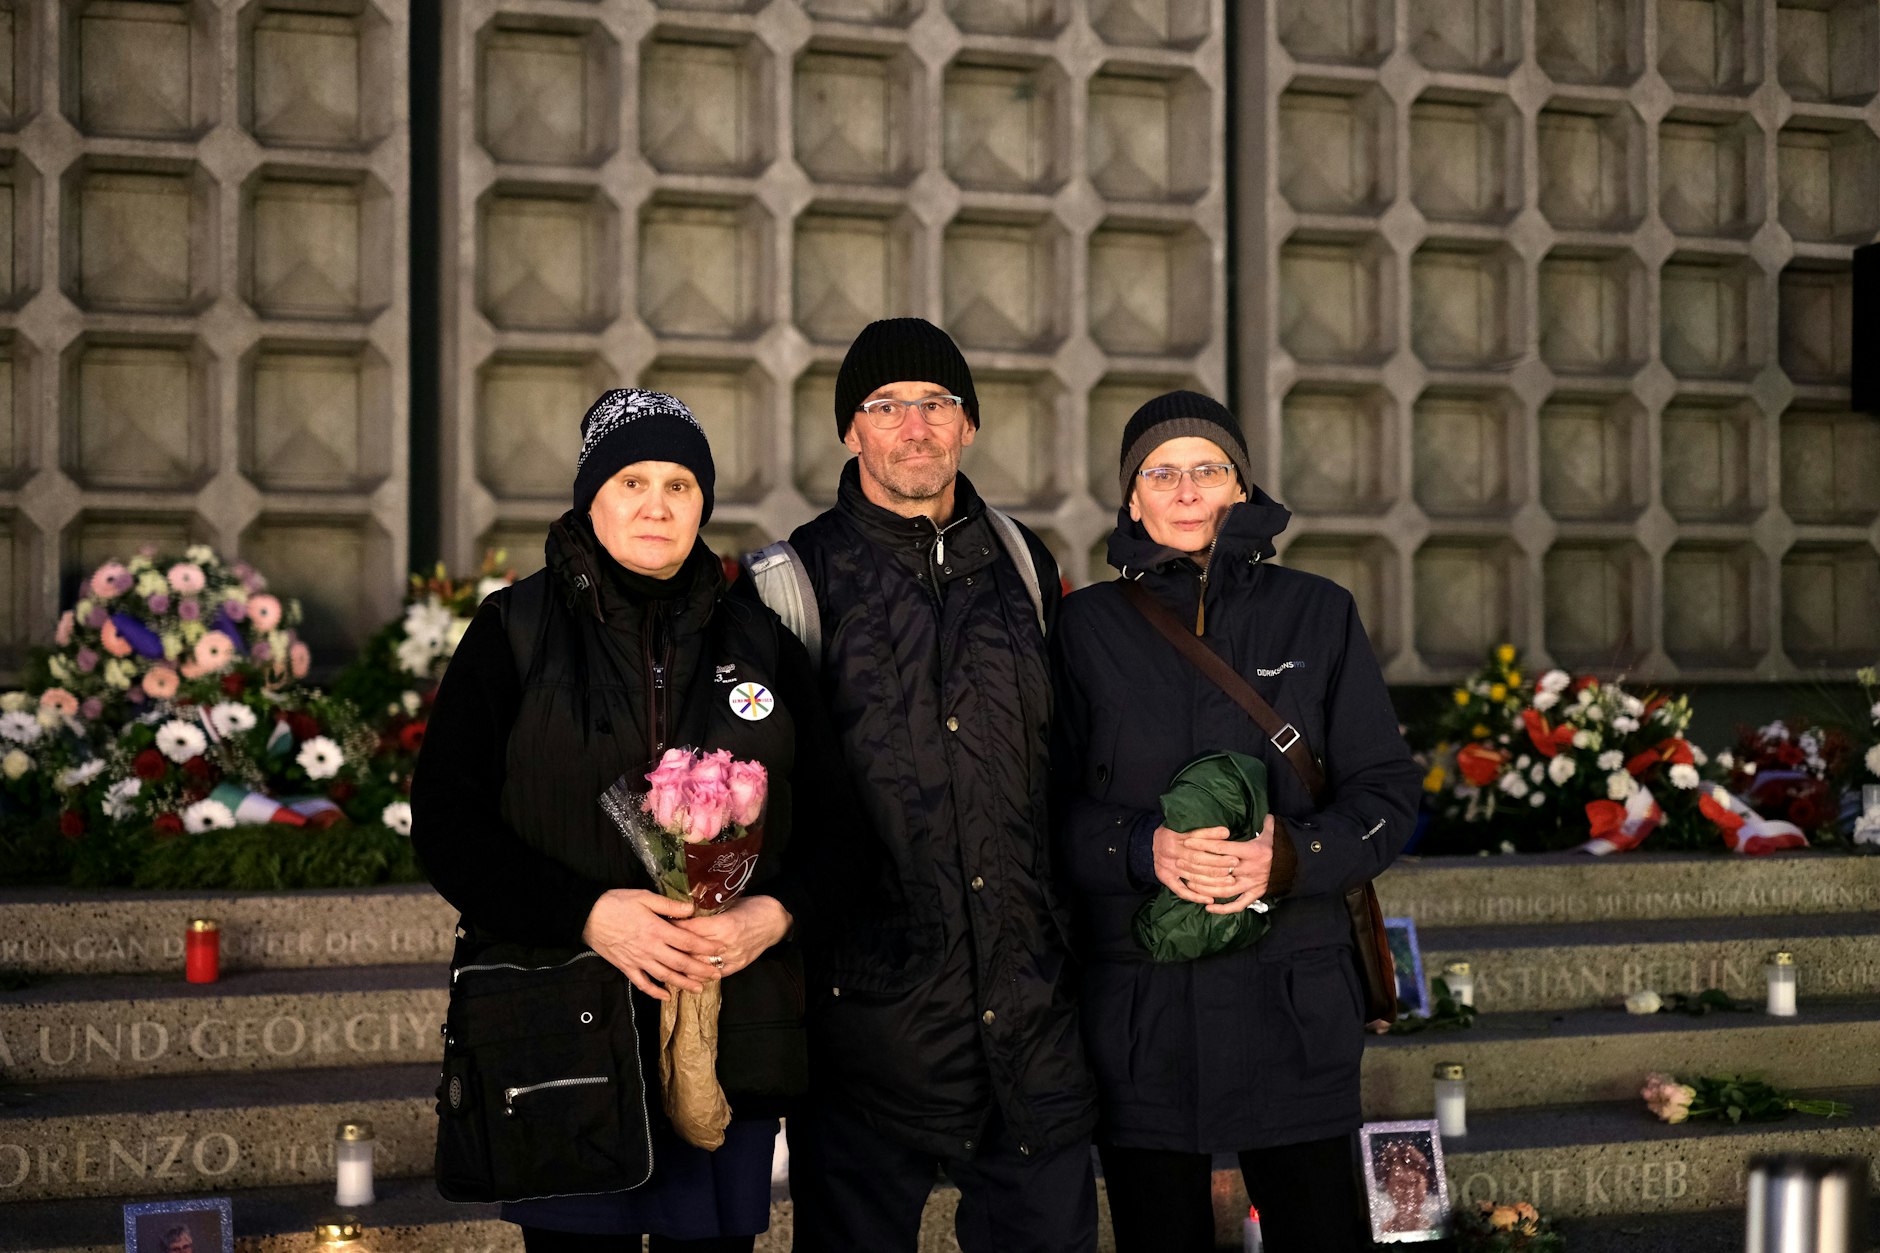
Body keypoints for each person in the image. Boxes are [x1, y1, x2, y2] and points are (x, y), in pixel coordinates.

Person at [413, 388, 852, 1252]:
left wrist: (775, 914)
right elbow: (446, 825)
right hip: (565, 1035)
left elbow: (843, 830)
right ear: (591, 496)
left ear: (705, 504)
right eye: (632, 480)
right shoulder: (513, 630)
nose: (658, 503)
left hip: (730, 1039)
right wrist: (587, 912)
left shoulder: (760, 641)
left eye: (681, 484)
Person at [1050, 391, 1422, 1253]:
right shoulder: (1082, 627)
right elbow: (1043, 814)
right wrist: (1142, 846)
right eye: (1163, 472)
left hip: (1292, 1004)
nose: (1186, 491)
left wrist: (1290, 855)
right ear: (1131, 498)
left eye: (1209, 469)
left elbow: (1386, 792)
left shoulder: (1318, 612)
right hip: (1141, 1011)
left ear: (1243, 490)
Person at [763, 318, 1098, 1253]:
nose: (916, 426)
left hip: (1031, 1033)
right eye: (887, 406)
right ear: (849, 431)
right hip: (869, 1036)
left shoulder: (1026, 566)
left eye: (938, 404)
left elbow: (1063, 769)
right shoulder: (795, 581)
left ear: (969, 426)